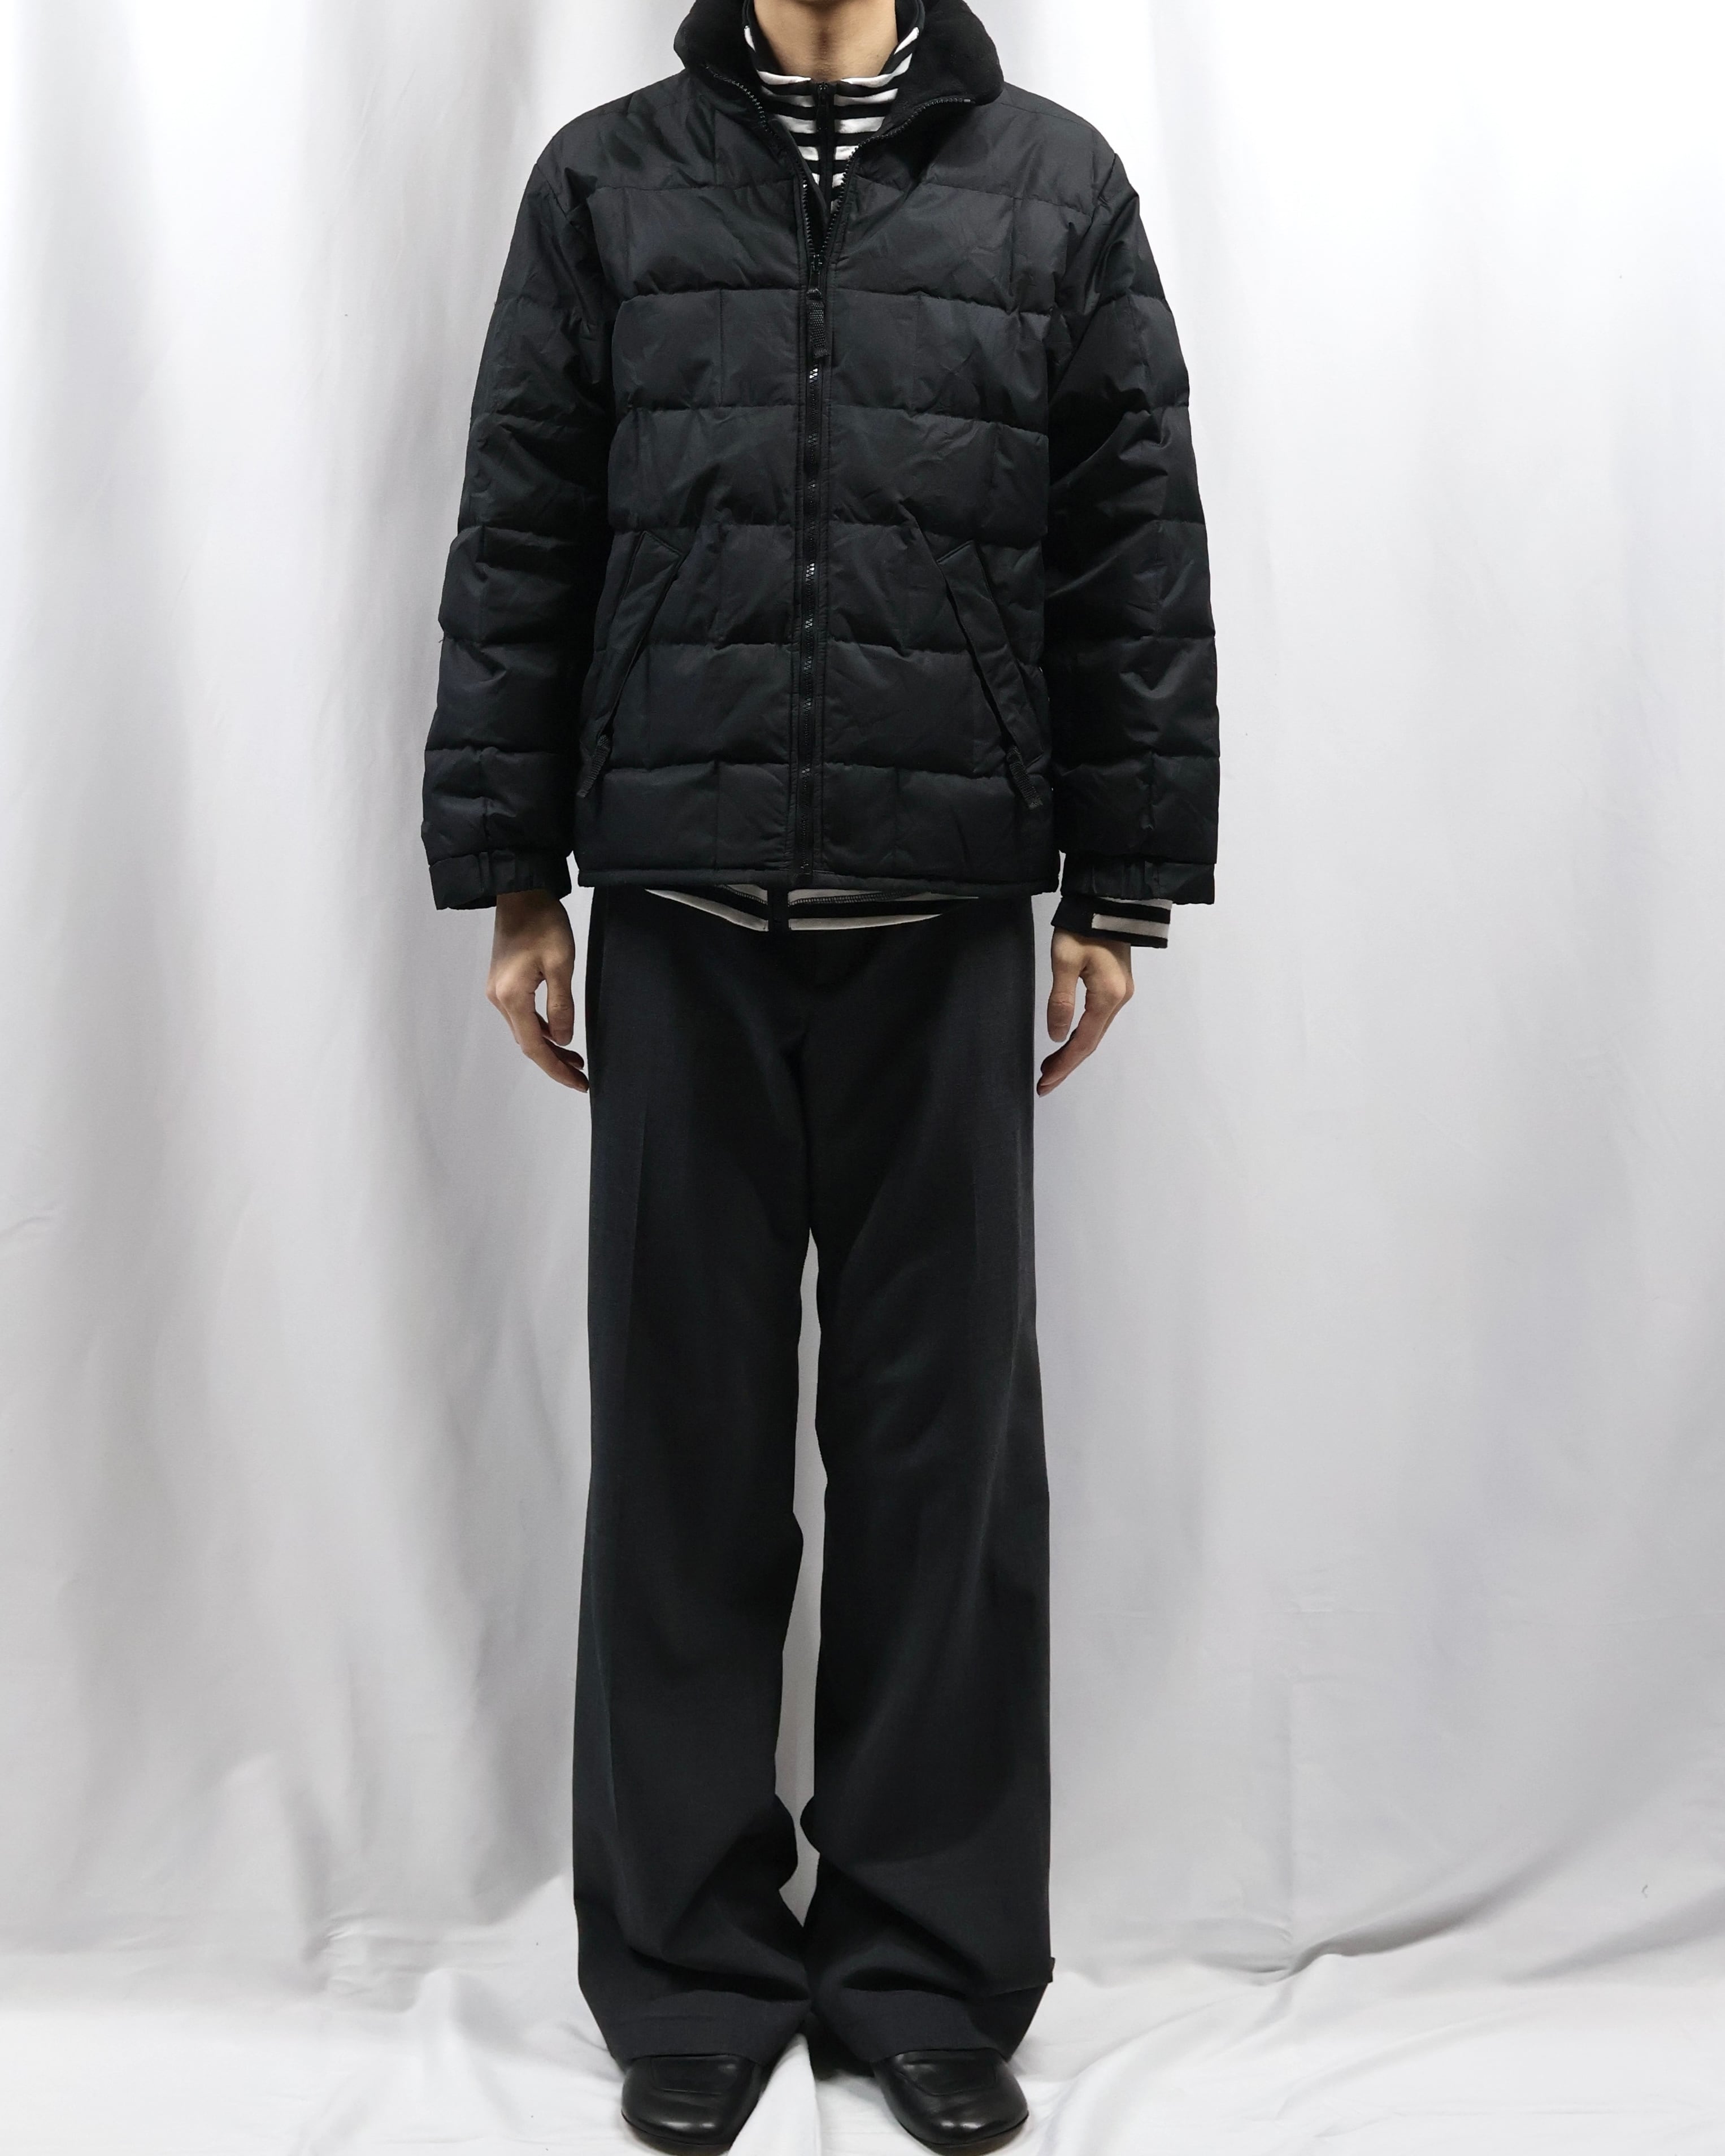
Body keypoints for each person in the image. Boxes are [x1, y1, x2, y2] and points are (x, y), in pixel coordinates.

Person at [422, 0, 1217, 2144]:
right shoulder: (607, 180)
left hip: (943, 925)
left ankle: (927, 1973)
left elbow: (1133, 545)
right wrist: (515, 878)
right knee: (680, 1456)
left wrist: (1123, 885)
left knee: (944, 1470)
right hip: (677, 920)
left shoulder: (1053, 187)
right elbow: (523, 529)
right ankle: (686, 1975)